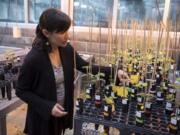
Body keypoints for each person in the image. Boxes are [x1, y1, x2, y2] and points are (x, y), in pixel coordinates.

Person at [16, 8, 126, 135]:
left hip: (62, 110)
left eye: (67, 30)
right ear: (46, 33)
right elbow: (21, 90)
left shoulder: (66, 49)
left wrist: (115, 72)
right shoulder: (34, 58)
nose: (67, 36)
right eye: (62, 32)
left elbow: (85, 66)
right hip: (42, 117)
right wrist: (48, 106)